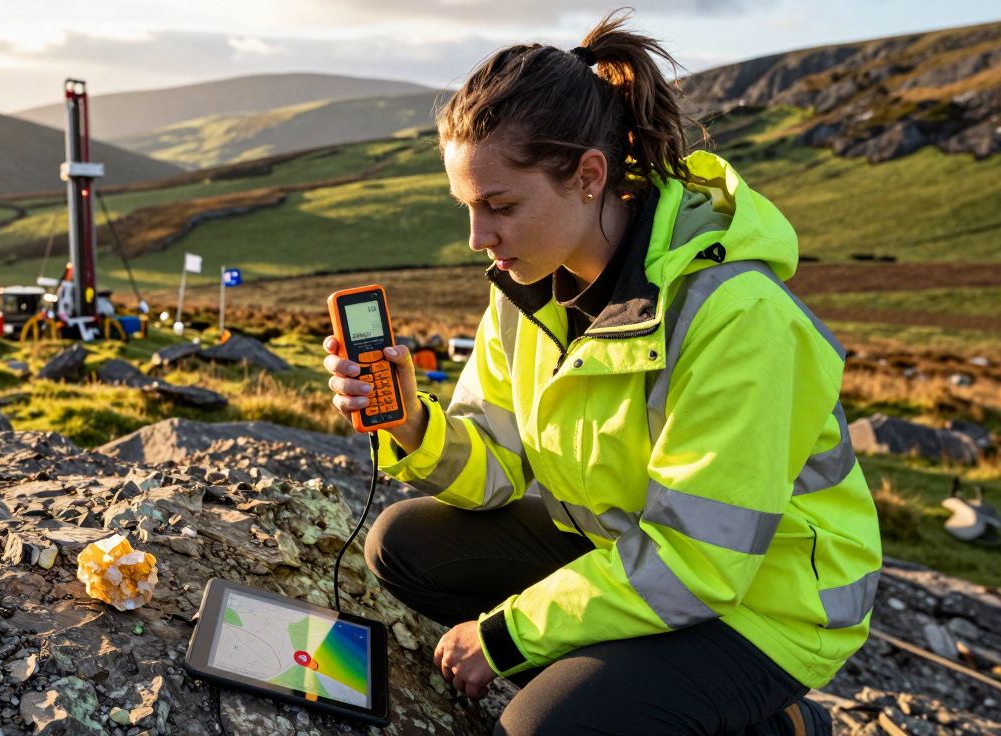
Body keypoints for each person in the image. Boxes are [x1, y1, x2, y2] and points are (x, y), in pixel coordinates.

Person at [322, 9, 881, 736]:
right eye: (467, 207)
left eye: (499, 206)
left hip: (766, 602)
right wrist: (411, 423)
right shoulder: (529, 291)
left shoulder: (737, 317)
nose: (477, 239)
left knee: (542, 729)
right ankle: (619, 677)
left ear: (589, 176)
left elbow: (699, 563)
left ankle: (782, 724)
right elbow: (496, 470)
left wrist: (503, 635)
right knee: (403, 546)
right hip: (626, 546)